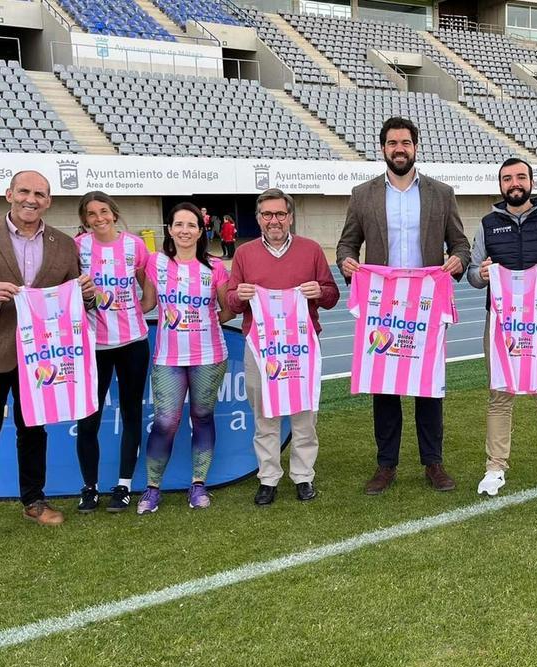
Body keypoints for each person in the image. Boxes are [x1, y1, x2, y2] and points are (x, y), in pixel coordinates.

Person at [0, 170, 97, 551]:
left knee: (33, 432)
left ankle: (33, 499)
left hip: (40, 358)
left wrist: (88, 294)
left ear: (49, 201)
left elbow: (73, 299)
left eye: (40, 194)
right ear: (9, 194)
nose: (32, 199)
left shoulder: (63, 244)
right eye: (24, 191)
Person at [336, 117, 471, 495]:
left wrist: (458, 260)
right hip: (383, 306)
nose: (399, 148)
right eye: (393, 142)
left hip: (426, 304)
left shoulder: (441, 193)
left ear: (415, 147)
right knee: (385, 387)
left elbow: (461, 245)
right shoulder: (362, 194)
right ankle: (386, 465)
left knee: (428, 386)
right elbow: (347, 245)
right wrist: (347, 263)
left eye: (406, 143)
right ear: (382, 148)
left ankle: (433, 462)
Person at [467, 158, 537, 498]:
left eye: (520, 177)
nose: (514, 183)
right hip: (501, 323)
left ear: (531, 181)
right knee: (500, 394)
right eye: (507, 178)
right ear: (500, 185)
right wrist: (480, 275)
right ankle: (495, 467)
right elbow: (472, 272)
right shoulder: (487, 224)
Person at [227, 189, 339, 505]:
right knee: (265, 416)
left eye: (280, 214)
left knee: (304, 417)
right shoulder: (244, 254)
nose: (274, 220)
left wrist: (320, 290)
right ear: (258, 218)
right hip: (261, 348)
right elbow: (232, 302)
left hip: (301, 347)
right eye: (267, 215)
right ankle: (268, 478)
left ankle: (303, 476)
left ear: (290, 216)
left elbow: (331, 297)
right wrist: (241, 296)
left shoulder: (312, 250)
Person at [135, 203, 234, 514]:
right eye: (179, 224)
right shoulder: (156, 263)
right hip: (169, 357)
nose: (185, 230)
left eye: (191, 225)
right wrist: (109, 303)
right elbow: (148, 304)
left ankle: (198, 484)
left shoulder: (216, 267)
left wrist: (209, 321)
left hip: (209, 354)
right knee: (165, 422)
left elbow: (227, 307)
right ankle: (152, 489)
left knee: (202, 417)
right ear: (169, 229)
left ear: (200, 230)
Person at [73, 191, 151, 513]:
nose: (99, 218)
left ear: (114, 213)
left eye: (103, 211)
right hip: (95, 347)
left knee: (131, 414)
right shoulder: (78, 247)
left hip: (133, 343)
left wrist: (138, 313)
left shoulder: (135, 246)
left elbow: (149, 288)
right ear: (85, 220)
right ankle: (89, 488)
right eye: (91, 214)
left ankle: (124, 485)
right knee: (88, 418)